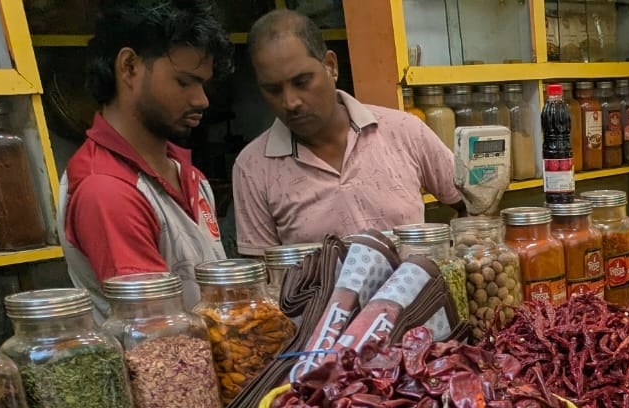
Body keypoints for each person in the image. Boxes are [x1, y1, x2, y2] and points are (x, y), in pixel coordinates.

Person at [233, 10, 464, 255]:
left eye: (302, 82)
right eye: (273, 90)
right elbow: (262, 275)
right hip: (322, 296)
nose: (290, 102)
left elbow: (470, 205)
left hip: (418, 293)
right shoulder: (253, 168)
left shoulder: (404, 131)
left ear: (330, 66)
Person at [60, 0, 232, 313]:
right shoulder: (107, 191)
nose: (201, 99)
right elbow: (155, 334)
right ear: (129, 67)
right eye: (184, 81)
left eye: (203, 84)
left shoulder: (186, 172)